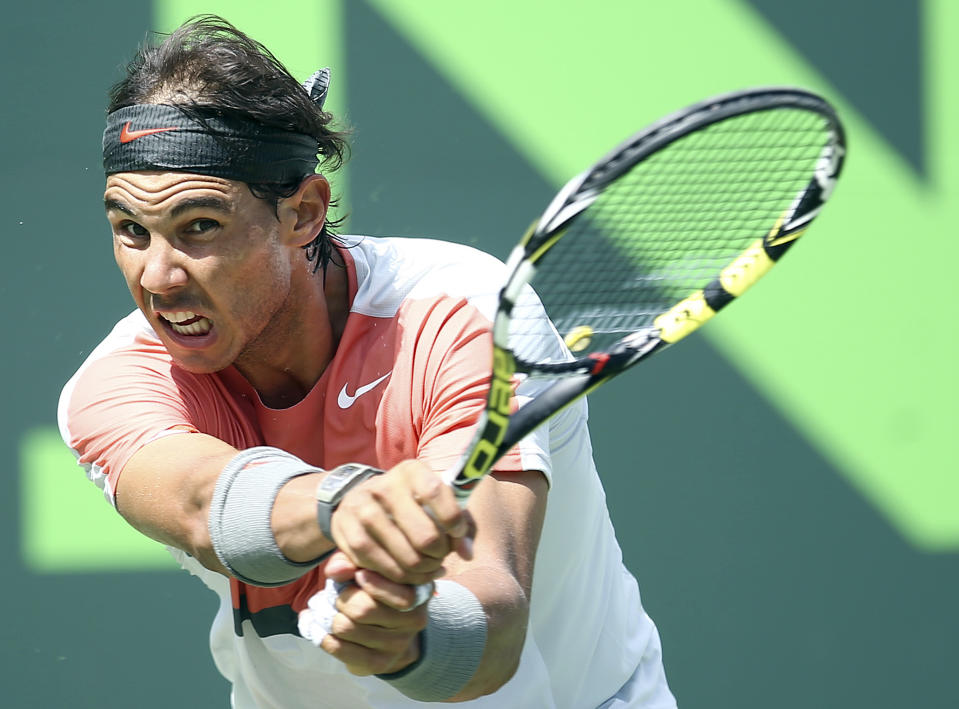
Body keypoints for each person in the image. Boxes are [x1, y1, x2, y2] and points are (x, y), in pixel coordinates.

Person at [57, 15, 677, 709]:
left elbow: (490, 625)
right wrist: (343, 503)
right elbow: (203, 503)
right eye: (130, 231)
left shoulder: (459, 314)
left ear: (303, 213)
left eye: (200, 226)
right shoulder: (116, 381)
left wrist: (410, 644)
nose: (159, 277)